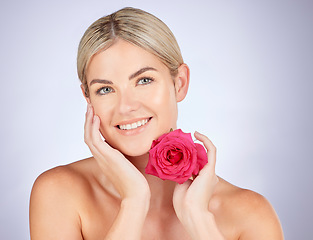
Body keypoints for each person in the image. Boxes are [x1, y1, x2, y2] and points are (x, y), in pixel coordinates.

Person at [29, 7, 284, 240]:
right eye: (105, 89)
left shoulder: (251, 214)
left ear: (179, 83)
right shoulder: (58, 194)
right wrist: (134, 202)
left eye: (144, 80)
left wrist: (199, 219)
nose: (126, 106)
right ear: (88, 98)